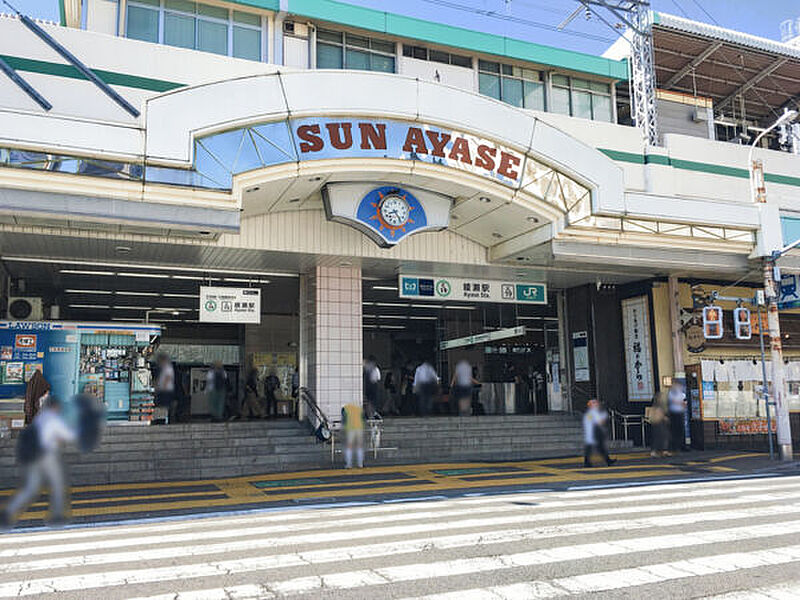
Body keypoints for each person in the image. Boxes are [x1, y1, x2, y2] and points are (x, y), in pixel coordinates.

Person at [1, 395, 76, 528]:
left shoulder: (40, 418)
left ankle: (7, 513)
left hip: (33, 455)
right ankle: (57, 516)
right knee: (57, 485)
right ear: (56, 407)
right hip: (46, 455)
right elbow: (68, 435)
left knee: (30, 487)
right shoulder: (53, 419)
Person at [583, 399, 616, 467]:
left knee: (598, 448)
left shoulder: (593, 412)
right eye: (594, 404)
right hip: (593, 433)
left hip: (594, 432)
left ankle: (607, 460)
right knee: (592, 448)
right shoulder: (591, 413)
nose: (597, 405)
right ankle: (587, 463)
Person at [341, 402, 365, 469]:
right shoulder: (359, 409)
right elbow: (363, 419)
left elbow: (344, 420)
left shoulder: (345, 409)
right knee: (359, 446)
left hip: (350, 429)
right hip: (359, 429)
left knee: (349, 447)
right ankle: (360, 464)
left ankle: (349, 464)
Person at [154, 353, 176, 424]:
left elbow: (167, 379)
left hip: (165, 391)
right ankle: (161, 419)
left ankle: (163, 420)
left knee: (164, 405)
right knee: (161, 405)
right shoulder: (163, 368)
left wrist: (161, 388)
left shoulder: (168, 368)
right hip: (163, 390)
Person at [649, 390, 671, 458]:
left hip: (657, 423)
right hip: (658, 423)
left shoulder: (656, 405)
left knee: (661, 436)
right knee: (661, 436)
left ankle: (662, 451)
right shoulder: (658, 406)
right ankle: (658, 451)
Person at [668, 381, 687, 452]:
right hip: (673, 413)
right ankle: (674, 446)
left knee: (681, 429)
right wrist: (680, 402)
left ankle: (682, 445)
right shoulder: (671, 393)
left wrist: (681, 403)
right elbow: (673, 401)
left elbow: (685, 403)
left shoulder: (682, 394)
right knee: (674, 430)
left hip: (680, 412)